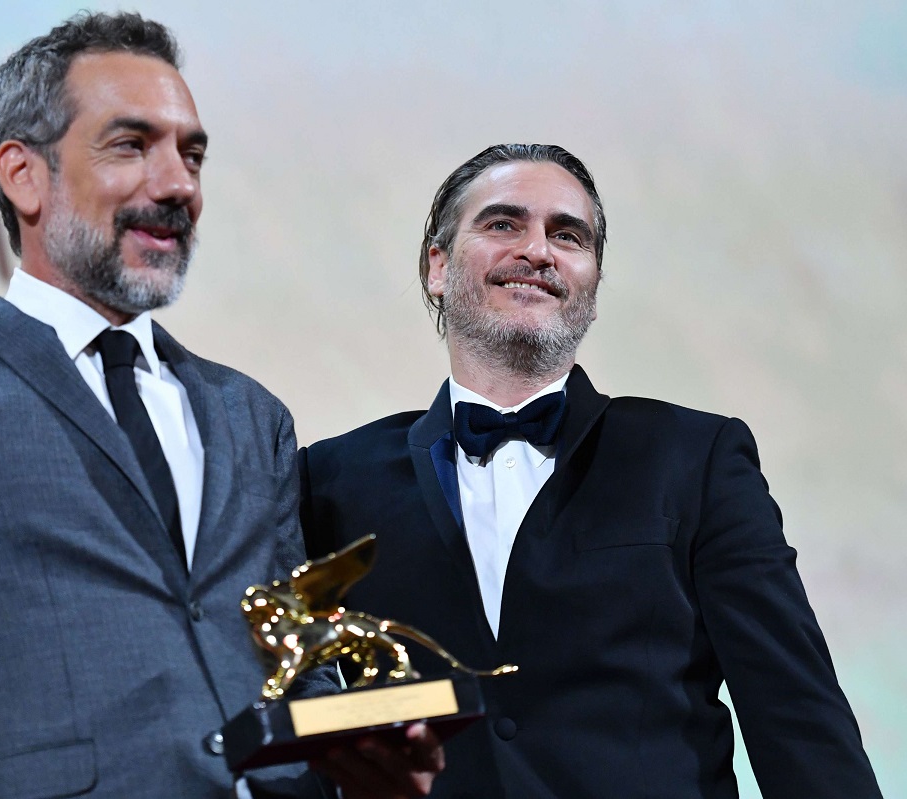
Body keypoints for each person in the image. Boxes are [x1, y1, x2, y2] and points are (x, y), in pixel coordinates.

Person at [0, 13, 439, 799]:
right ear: (23, 175)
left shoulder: (251, 415)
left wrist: (363, 767)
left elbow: (297, 661)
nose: (179, 184)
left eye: (191, 155)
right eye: (131, 145)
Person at [298, 144, 883, 798]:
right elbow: (292, 708)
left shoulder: (696, 457)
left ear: (593, 287)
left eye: (567, 235)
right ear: (438, 266)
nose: (537, 250)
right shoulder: (331, 478)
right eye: (503, 224)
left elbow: (795, 713)